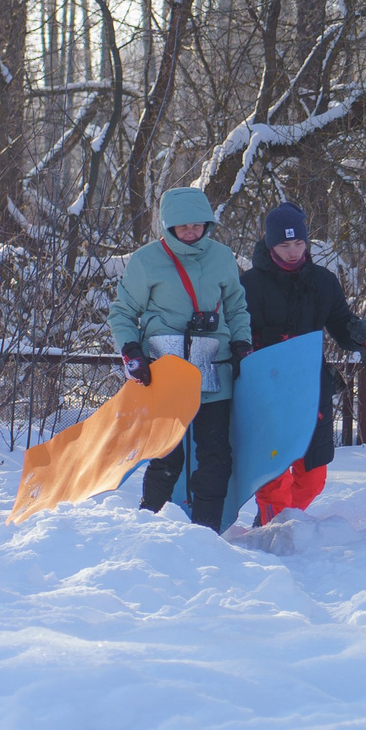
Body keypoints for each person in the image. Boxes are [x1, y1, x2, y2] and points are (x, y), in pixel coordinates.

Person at [109, 187, 253, 531]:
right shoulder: (146, 261)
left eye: (197, 225)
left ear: (208, 224)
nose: (191, 232)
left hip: (213, 371)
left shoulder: (222, 257)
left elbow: (236, 306)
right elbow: (123, 311)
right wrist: (131, 351)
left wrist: (242, 342)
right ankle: (148, 523)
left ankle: (206, 531)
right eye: (182, 226)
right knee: (166, 454)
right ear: (168, 227)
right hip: (164, 373)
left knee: (216, 457)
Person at [239, 201, 366, 526]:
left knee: (313, 477)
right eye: (284, 244)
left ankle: (287, 526)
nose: (292, 251)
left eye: (299, 243)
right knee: (274, 477)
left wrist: (355, 333)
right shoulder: (250, 286)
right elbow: (236, 334)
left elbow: (340, 324)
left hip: (309, 389)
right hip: (267, 392)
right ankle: (271, 532)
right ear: (270, 244)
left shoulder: (323, 282)